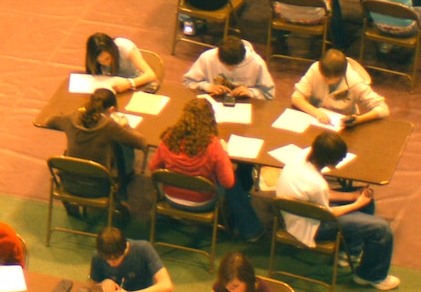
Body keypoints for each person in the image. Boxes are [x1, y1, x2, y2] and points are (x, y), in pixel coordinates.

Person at [276, 130, 399, 290]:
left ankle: (349, 252)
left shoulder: (303, 156)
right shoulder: (316, 184)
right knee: (381, 229)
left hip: (301, 212)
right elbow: (328, 214)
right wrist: (357, 203)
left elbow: (322, 194)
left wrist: (354, 195)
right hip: (312, 226)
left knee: (365, 198)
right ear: (331, 161)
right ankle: (371, 276)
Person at [147, 98, 262, 242]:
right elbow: (228, 182)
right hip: (202, 202)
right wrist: (224, 154)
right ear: (210, 119)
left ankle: (162, 216)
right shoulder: (213, 146)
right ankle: (251, 231)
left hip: (171, 198)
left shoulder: (169, 139)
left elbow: (153, 167)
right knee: (234, 180)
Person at [42, 88, 148, 203]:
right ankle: (124, 185)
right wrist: (125, 126)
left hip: (69, 184)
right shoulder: (110, 126)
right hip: (99, 189)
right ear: (112, 109)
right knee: (124, 148)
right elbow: (141, 142)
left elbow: (48, 121)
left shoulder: (71, 119)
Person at [291, 48, 389, 126]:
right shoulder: (315, 69)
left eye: (329, 78)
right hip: (316, 120)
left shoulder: (355, 82)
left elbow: (383, 108)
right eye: (323, 76)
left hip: (341, 124)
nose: (326, 81)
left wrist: (359, 119)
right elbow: (296, 98)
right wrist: (317, 113)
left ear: (341, 75)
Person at [89, 226, 174, 292]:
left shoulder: (143, 249)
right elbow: (92, 284)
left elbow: (167, 285)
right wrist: (103, 283)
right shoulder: (98, 255)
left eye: (115, 259)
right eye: (107, 260)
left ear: (125, 249)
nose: (111, 264)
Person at [183, 32, 276, 100]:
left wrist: (251, 92)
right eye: (225, 64)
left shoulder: (257, 63)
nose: (230, 69)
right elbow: (188, 82)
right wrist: (207, 86)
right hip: (214, 103)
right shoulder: (207, 58)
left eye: (234, 65)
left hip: (246, 106)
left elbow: (269, 94)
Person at [84, 32, 156, 91]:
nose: (106, 63)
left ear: (112, 50)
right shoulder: (93, 59)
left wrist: (129, 84)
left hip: (137, 85)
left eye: (107, 58)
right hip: (115, 88)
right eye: (100, 61)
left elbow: (151, 75)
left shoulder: (124, 47)